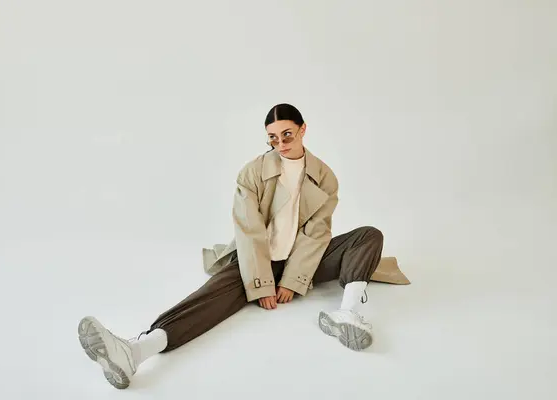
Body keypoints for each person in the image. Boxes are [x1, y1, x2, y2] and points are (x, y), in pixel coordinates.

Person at [78, 103, 384, 389]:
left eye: (287, 134)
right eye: (272, 138)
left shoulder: (324, 177)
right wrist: (263, 283)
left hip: (305, 260)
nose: (281, 144)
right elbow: (249, 231)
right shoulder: (252, 173)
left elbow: (316, 234)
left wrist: (293, 280)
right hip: (257, 259)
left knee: (368, 235)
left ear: (303, 129)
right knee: (208, 298)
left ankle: (347, 314)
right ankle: (134, 351)